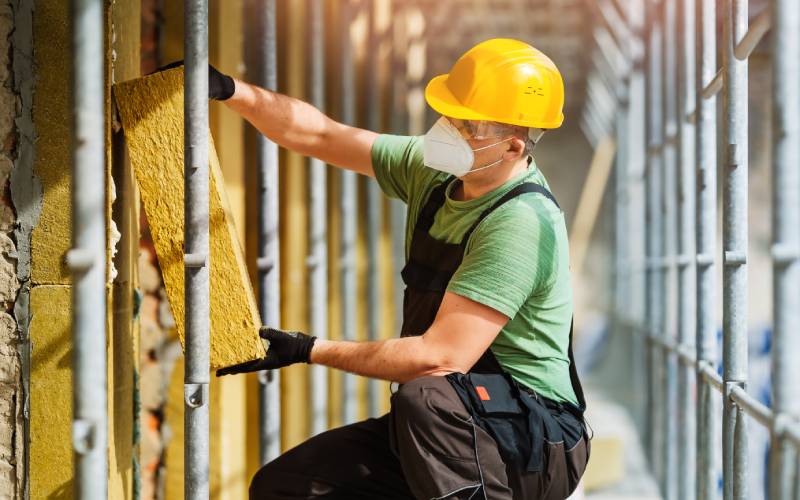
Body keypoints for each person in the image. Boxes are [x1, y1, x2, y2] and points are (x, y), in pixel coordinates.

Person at [213, 38, 589, 500]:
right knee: (286, 486)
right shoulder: (439, 173)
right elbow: (322, 135)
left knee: (425, 396)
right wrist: (232, 91)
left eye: (466, 124)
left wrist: (308, 348)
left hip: (529, 441)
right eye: (450, 113)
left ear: (512, 148)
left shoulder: (521, 225)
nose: (447, 129)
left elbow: (440, 358)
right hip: (456, 425)